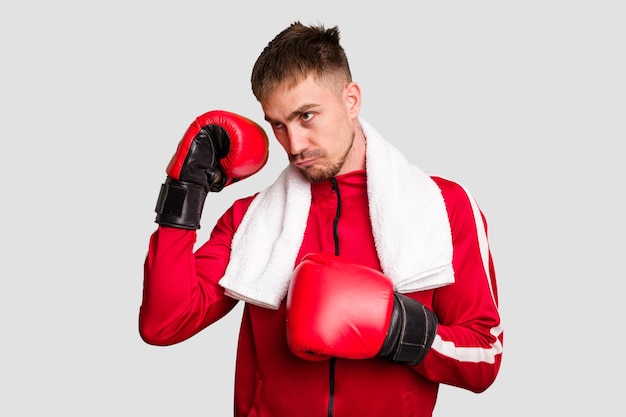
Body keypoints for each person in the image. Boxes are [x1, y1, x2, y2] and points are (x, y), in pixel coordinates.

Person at [139, 21, 503, 417]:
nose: (293, 145)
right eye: (278, 124)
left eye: (306, 116)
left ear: (351, 99)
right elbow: (165, 323)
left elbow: (482, 357)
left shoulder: (443, 206)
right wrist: (184, 191)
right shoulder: (250, 219)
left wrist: (396, 329)